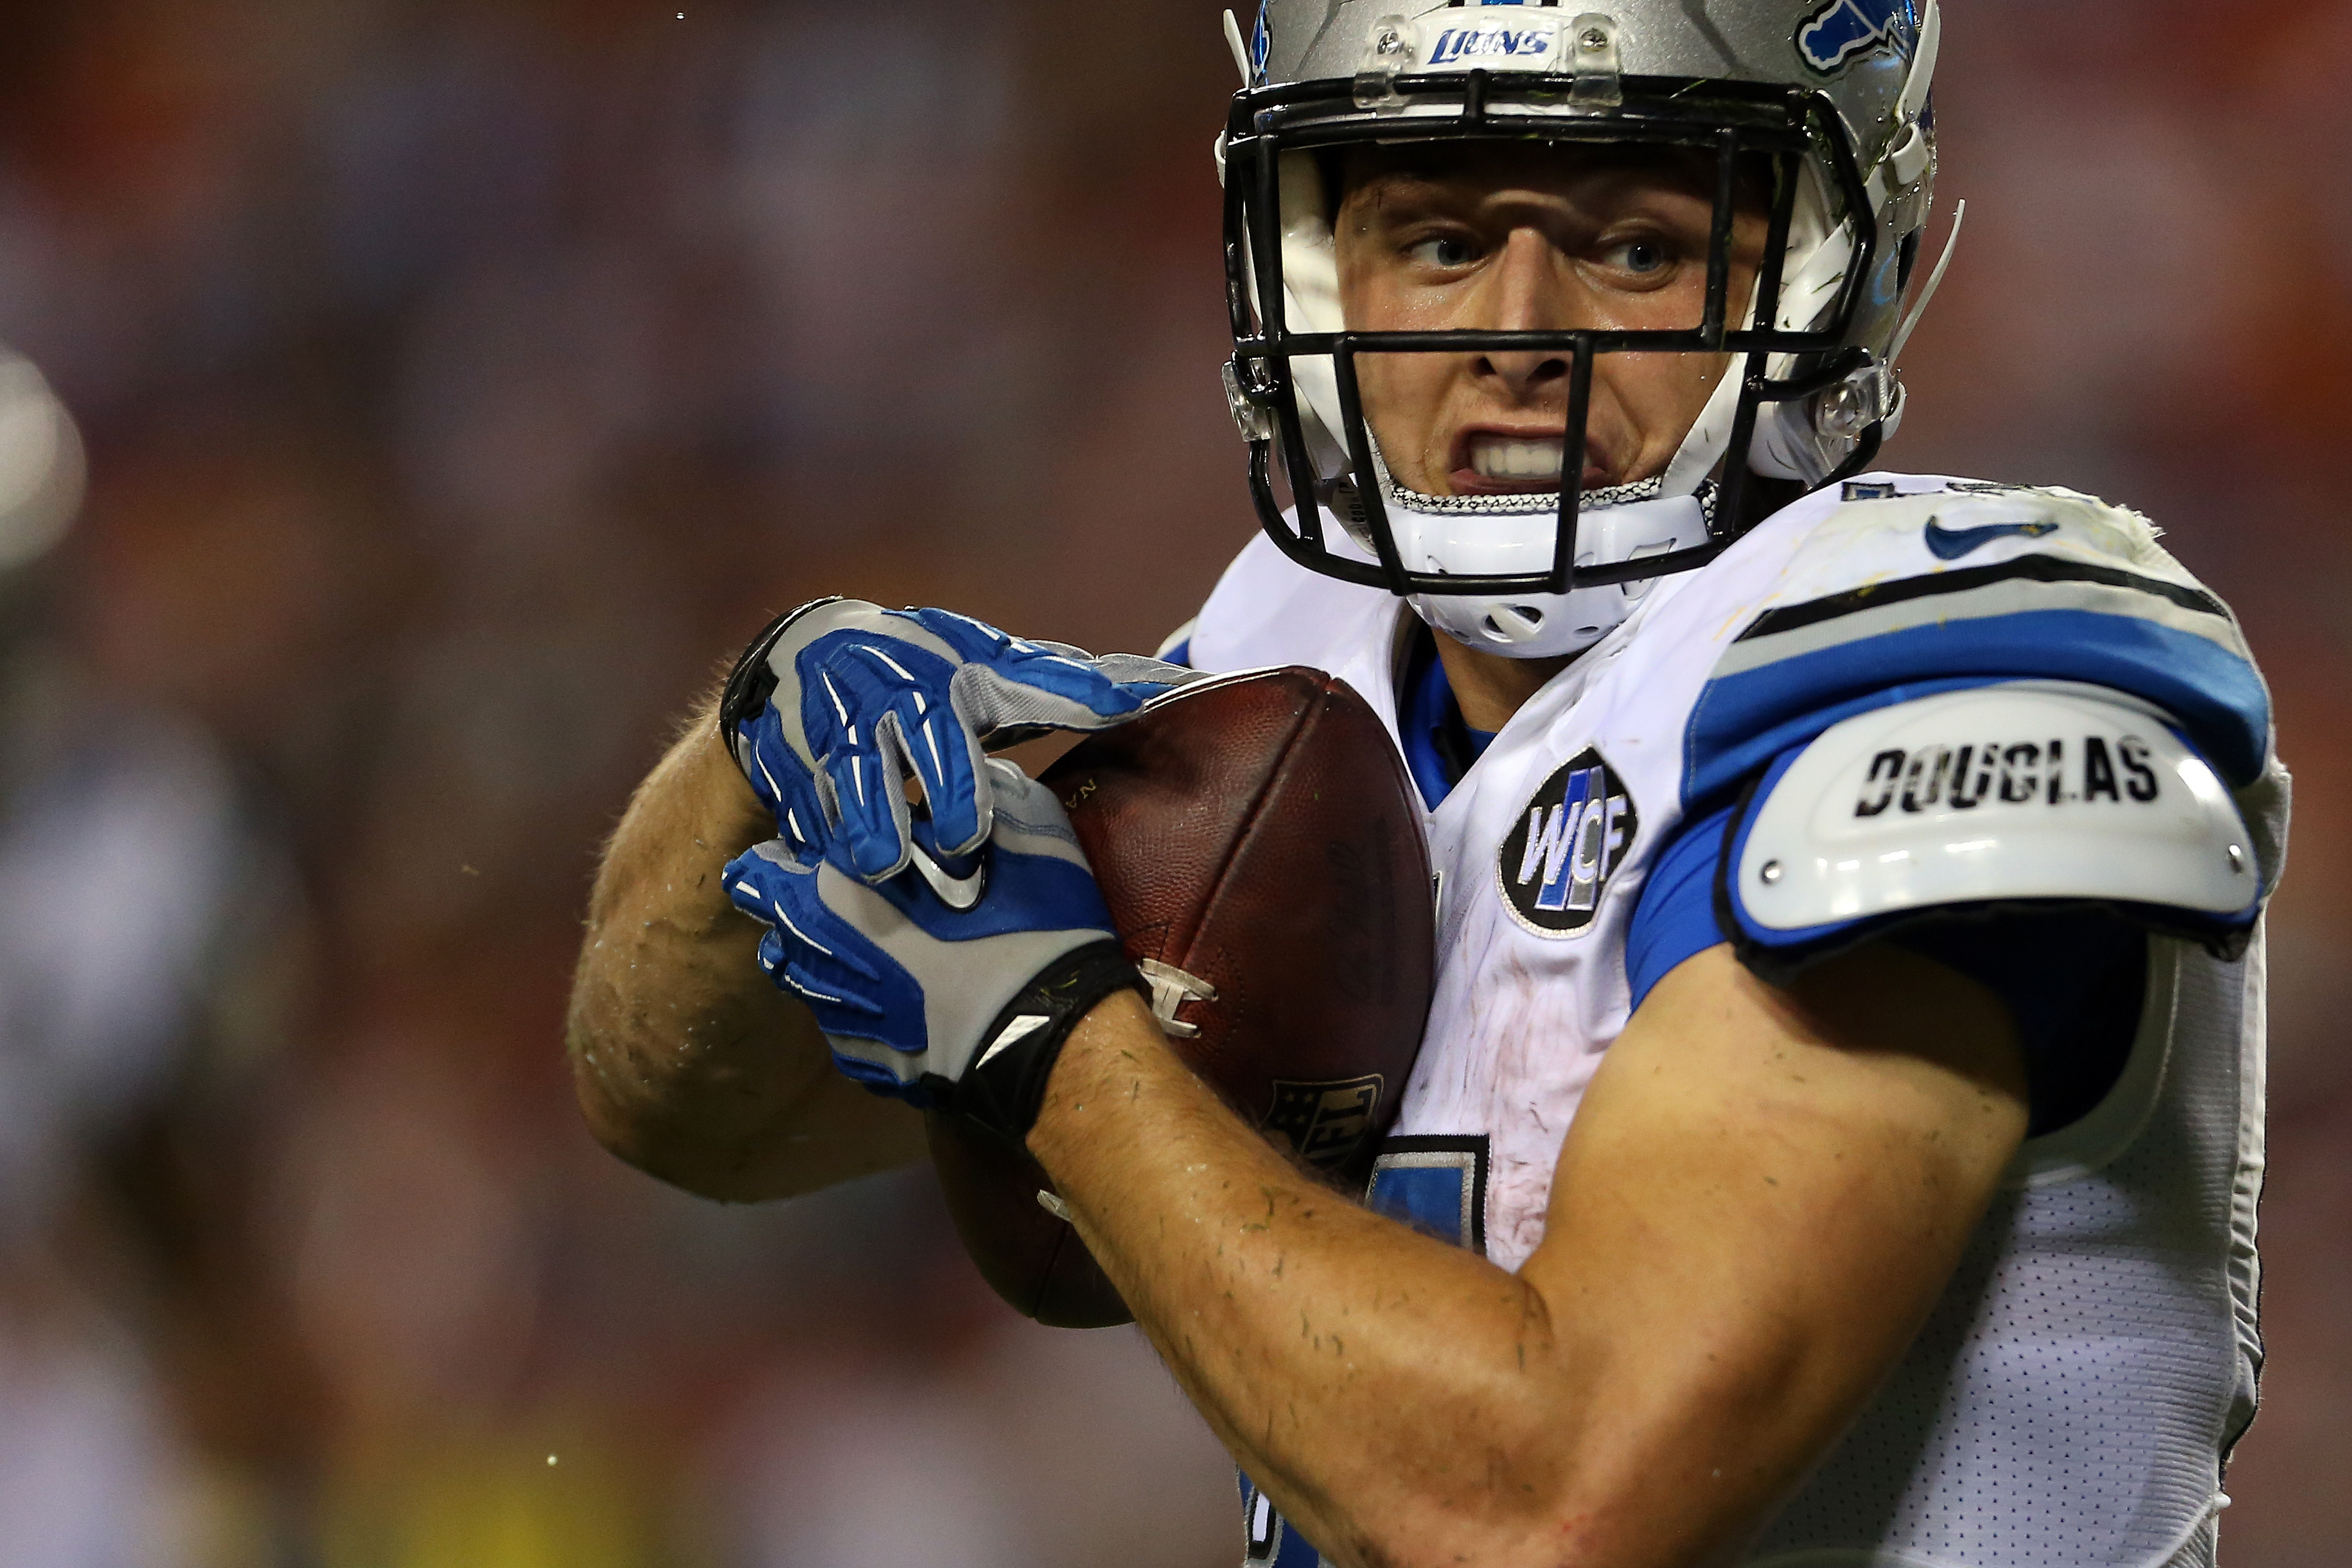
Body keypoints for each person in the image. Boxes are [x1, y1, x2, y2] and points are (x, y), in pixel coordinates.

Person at [568, 3, 2281, 1564]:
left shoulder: (1958, 655)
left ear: (1833, 264)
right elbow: (683, 1109)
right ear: (1315, 273)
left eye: (1630, 243)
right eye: (1444, 239)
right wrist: (764, 738)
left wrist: (1050, 1040)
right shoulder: (1289, 660)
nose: (1519, 335)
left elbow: (1549, 1503)